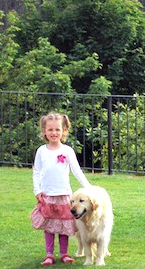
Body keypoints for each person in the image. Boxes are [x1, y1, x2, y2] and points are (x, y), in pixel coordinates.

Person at [31, 112, 91, 266]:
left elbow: (76, 171)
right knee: (50, 226)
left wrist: (89, 188)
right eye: (50, 130)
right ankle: (49, 254)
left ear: (64, 131)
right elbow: (36, 172)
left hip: (64, 195)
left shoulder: (67, 151)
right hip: (47, 196)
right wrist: (37, 191)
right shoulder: (41, 151)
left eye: (57, 129)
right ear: (44, 131)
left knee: (64, 226)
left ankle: (64, 253)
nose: (54, 133)